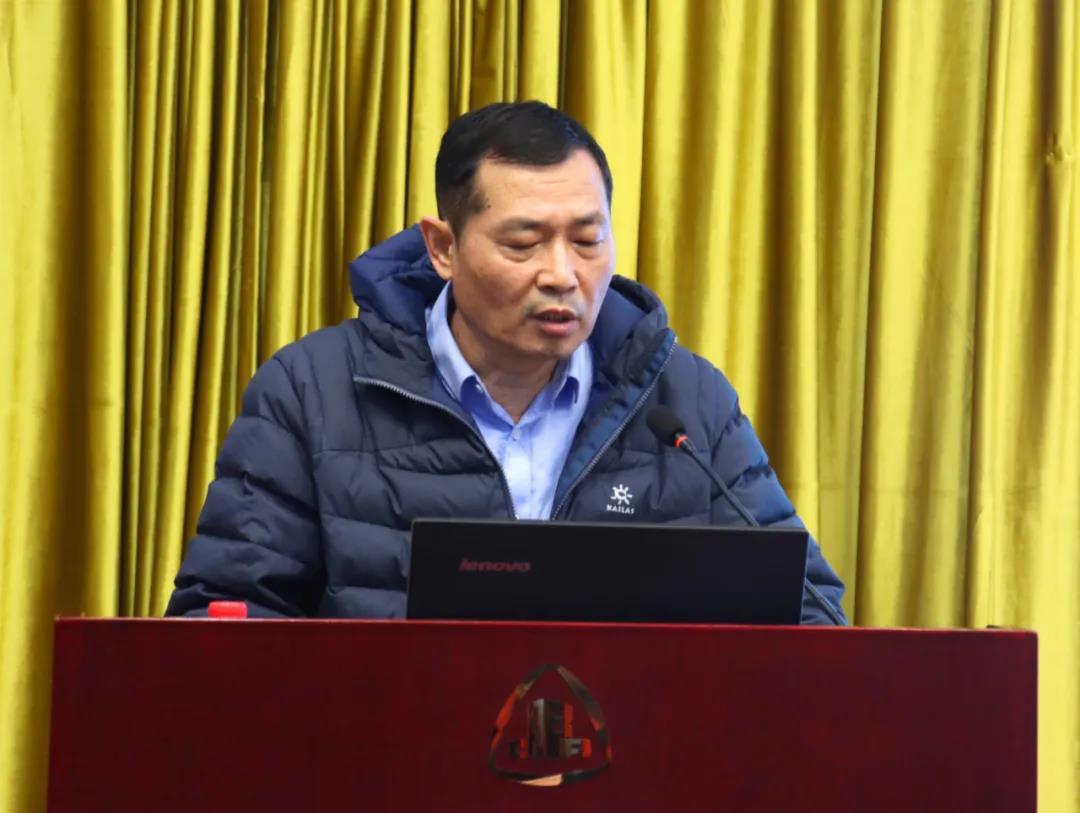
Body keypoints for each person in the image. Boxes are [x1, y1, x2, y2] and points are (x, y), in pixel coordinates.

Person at [166, 101, 846, 624]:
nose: (562, 274)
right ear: (442, 247)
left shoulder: (686, 402)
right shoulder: (313, 391)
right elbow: (229, 617)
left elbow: (808, 614)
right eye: (524, 244)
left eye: (587, 240)